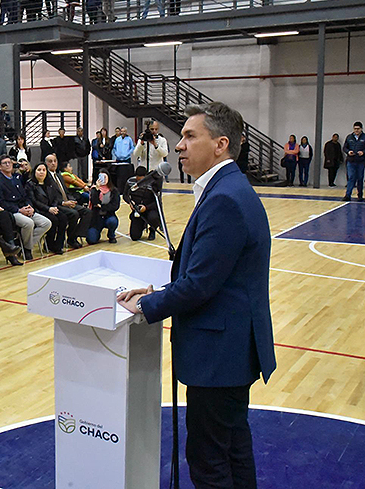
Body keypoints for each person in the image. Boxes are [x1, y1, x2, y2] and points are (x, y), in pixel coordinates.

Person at [117, 102, 276, 489]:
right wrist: (159, 290)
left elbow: (201, 285)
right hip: (232, 349)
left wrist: (148, 304)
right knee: (232, 447)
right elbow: (210, 275)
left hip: (219, 354)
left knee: (209, 460)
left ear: (221, 144)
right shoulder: (229, 188)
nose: (179, 146)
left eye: (190, 136)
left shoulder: (223, 199)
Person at [0, 155, 52, 260]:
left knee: (46, 223)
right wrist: (19, 210)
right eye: (5, 163)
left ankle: (23, 244)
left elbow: (25, 196)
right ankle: (27, 250)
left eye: (10, 162)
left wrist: (29, 206)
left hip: (24, 208)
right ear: (0, 167)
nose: (8, 165)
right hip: (12, 211)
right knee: (29, 223)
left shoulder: (16, 178)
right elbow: (0, 202)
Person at [45, 154, 90, 247]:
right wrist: (63, 203)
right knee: (74, 214)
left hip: (67, 202)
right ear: (46, 164)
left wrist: (72, 201)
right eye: (50, 161)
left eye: (55, 161)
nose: (53, 163)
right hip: (57, 204)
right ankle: (71, 239)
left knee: (87, 212)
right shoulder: (46, 178)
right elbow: (50, 196)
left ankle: (75, 234)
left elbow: (66, 191)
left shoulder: (59, 175)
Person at [26, 162, 68, 255]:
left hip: (51, 208)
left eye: (44, 170)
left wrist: (53, 206)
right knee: (53, 220)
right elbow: (34, 201)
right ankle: (49, 244)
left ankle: (58, 245)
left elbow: (56, 197)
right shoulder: (30, 184)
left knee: (63, 218)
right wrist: (48, 209)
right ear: (35, 171)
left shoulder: (50, 183)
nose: (41, 172)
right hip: (40, 210)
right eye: (39, 170)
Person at [123, 165, 161, 241]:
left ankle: (152, 229)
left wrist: (146, 207)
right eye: (137, 179)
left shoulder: (153, 184)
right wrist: (130, 202)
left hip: (149, 209)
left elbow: (157, 202)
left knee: (154, 217)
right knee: (134, 237)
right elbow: (125, 195)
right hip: (137, 209)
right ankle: (141, 225)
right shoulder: (130, 182)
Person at [86, 170, 119, 244]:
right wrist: (97, 189)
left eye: (105, 177)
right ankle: (97, 233)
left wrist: (102, 206)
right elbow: (94, 202)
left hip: (108, 215)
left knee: (112, 221)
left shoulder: (114, 190)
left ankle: (111, 235)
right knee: (91, 240)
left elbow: (115, 206)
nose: (103, 179)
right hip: (96, 218)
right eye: (101, 177)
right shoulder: (94, 189)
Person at [343, 121, 365, 201]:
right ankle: (348, 195)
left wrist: (363, 152)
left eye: (358, 129)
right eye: (355, 129)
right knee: (351, 177)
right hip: (351, 160)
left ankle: (360, 195)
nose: (356, 130)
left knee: (360, 178)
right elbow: (344, 147)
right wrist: (348, 152)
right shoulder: (349, 137)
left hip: (361, 161)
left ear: (361, 129)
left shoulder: (364, 137)